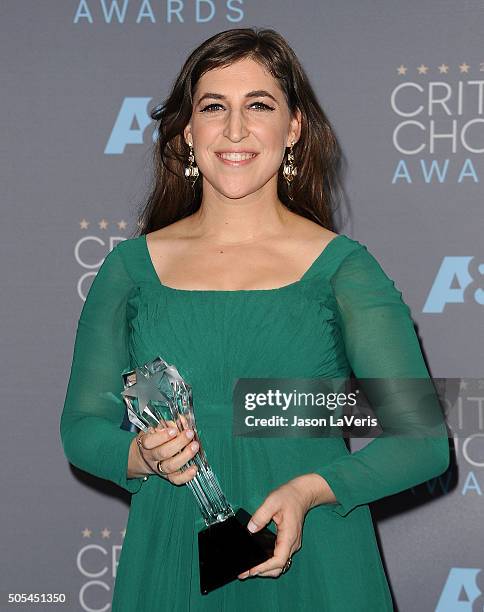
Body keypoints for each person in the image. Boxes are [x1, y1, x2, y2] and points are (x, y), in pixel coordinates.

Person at [60, 27, 450, 611]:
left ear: (293, 129)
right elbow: (82, 426)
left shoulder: (344, 270)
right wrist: (140, 456)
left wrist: (309, 490)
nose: (235, 130)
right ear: (188, 132)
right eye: (214, 107)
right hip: (172, 556)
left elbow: (423, 442)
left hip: (315, 555)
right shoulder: (129, 271)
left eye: (259, 105)